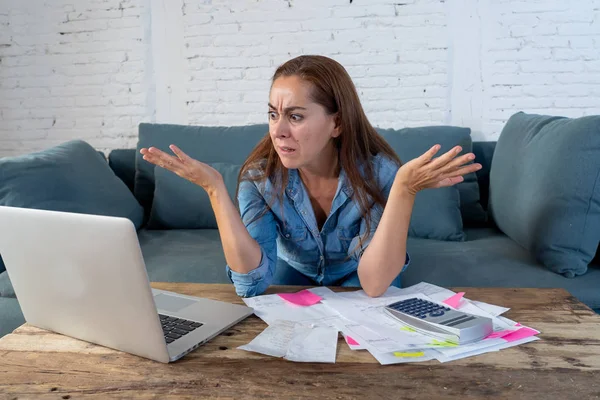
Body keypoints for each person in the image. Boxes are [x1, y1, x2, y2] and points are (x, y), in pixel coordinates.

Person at [140, 55, 481, 298]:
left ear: (337, 123)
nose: (279, 131)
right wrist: (214, 189)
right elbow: (250, 285)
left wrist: (405, 189)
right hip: (296, 269)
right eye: (273, 115)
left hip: (355, 272)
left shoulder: (379, 173)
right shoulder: (260, 179)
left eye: (296, 116)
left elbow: (374, 284)